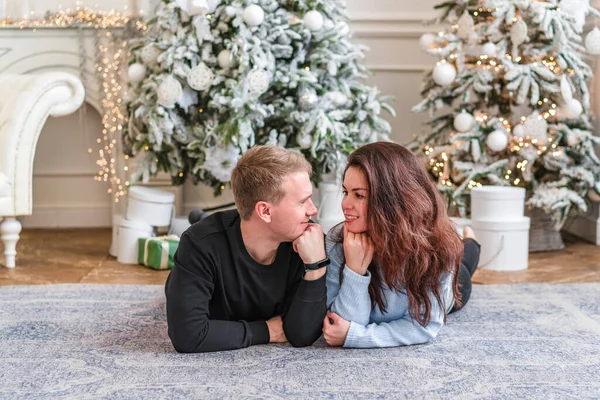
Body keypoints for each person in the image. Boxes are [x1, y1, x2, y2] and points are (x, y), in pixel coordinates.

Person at [165, 146, 329, 353]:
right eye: (303, 201)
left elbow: (300, 335)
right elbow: (188, 336)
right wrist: (267, 330)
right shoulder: (199, 244)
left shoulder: (307, 242)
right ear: (265, 211)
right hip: (213, 239)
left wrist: (316, 267)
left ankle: (200, 216)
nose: (313, 210)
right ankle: (200, 219)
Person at [322, 142, 481, 348]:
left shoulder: (436, 250)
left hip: (454, 286)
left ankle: (471, 241)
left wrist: (358, 337)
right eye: (345, 192)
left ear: (391, 201)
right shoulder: (337, 241)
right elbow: (340, 324)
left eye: (359, 195)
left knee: (465, 262)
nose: (345, 204)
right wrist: (355, 271)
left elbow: (423, 326)